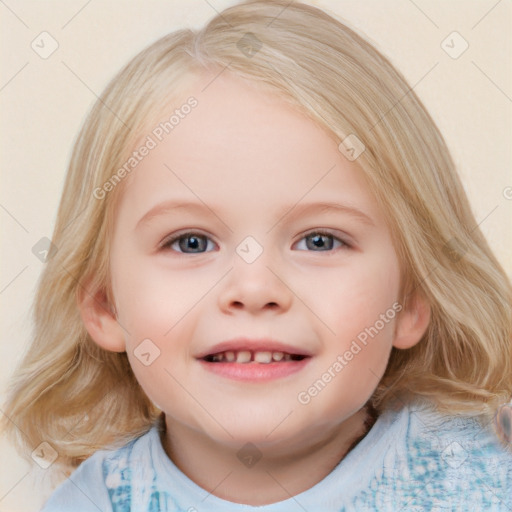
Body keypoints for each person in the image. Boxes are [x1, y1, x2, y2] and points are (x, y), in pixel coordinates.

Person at [2, 1, 511, 510]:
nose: (254, 289)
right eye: (190, 242)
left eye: (320, 241)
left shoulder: (485, 480)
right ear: (104, 304)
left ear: (412, 299)